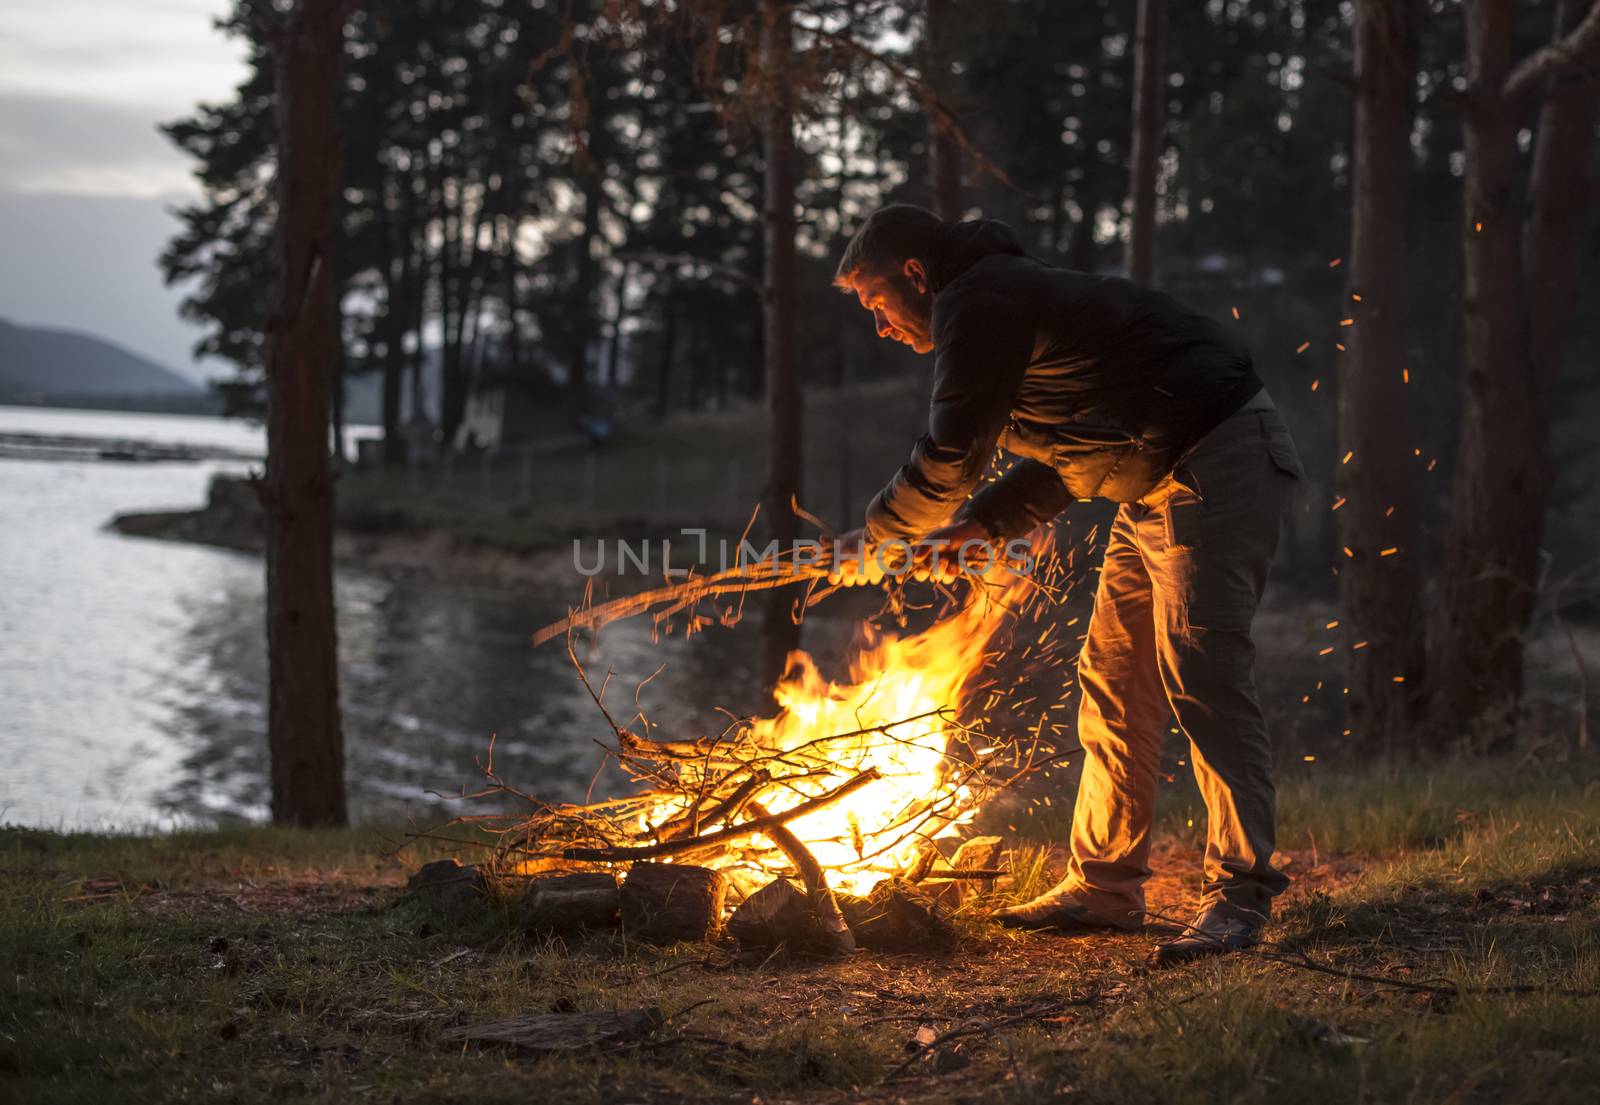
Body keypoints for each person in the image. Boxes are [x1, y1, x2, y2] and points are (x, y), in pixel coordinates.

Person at [827, 204, 1303, 965]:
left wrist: (880, 534)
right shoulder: (999, 302)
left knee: (1202, 670)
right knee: (1113, 676)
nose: (881, 327)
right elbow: (1075, 448)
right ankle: (1107, 887)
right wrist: (980, 526)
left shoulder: (978, 301)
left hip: (1218, 458)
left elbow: (952, 450)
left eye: (878, 305)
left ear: (915, 275)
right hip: (1148, 479)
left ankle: (1239, 894)